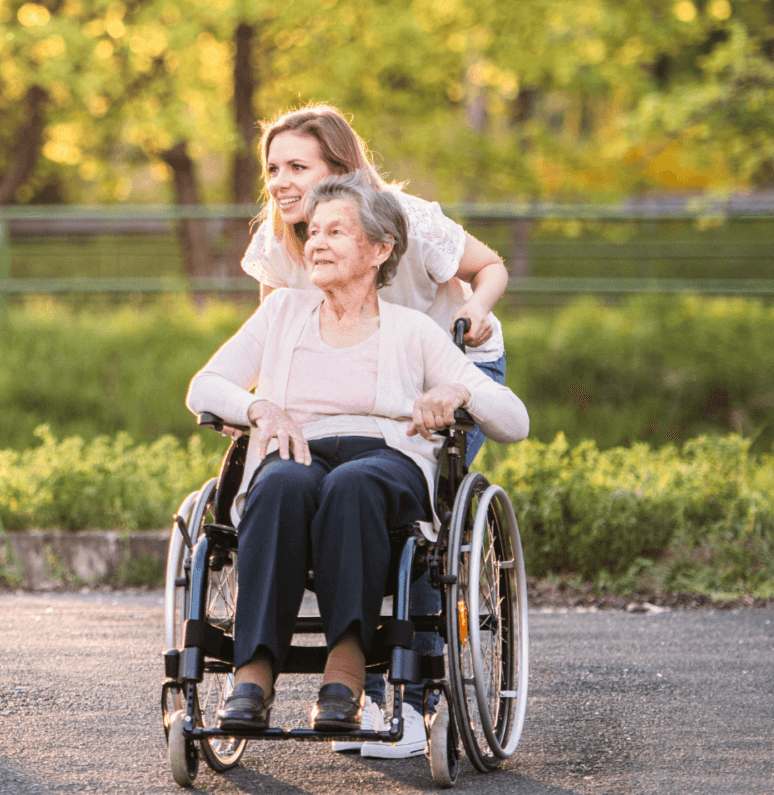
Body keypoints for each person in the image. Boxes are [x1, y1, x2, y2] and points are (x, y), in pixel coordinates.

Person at [186, 172, 528, 737]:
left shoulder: (413, 331)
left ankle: (343, 668)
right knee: (278, 485)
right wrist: (260, 409)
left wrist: (459, 391)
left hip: (385, 460)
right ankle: (254, 671)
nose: (316, 242)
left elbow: (514, 418)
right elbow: (204, 386)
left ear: (379, 249)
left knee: (355, 486)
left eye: (336, 232)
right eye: (313, 231)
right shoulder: (281, 314)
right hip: (298, 449)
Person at [240, 103, 509, 757]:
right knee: (303, 483)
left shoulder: (405, 219)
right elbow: (280, 345)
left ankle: (411, 702)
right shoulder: (282, 239)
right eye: (272, 167)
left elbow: (490, 265)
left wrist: (473, 308)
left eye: (297, 166)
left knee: (415, 518)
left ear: (340, 167)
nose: (279, 180)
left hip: (448, 365)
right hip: (352, 390)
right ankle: (294, 674)